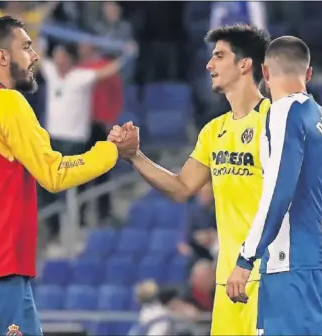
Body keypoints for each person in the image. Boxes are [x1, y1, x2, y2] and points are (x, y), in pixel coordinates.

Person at [0, 16, 137, 335]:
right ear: (2, 57)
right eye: (27, 47)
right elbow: (54, 173)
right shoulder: (6, 102)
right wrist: (112, 150)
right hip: (0, 269)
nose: (35, 56)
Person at [109, 24, 271, 335]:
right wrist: (134, 156)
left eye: (219, 56)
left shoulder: (276, 122)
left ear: (244, 64)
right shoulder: (213, 131)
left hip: (270, 276)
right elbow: (182, 188)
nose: (209, 64)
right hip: (227, 279)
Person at [228, 36, 322, 335]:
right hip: (316, 256)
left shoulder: (284, 112)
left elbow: (280, 188)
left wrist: (246, 256)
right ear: (309, 74)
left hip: (295, 259)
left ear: (264, 72)